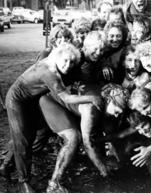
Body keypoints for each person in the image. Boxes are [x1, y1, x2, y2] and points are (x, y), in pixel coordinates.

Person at [4, 43, 100, 193]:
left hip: (32, 100)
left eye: (71, 62)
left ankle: (6, 166)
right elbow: (67, 98)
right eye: (65, 61)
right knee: (22, 139)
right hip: (17, 100)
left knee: (34, 135)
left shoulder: (53, 61)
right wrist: (92, 98)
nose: (68, 65)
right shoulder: (49, 72)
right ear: (57, 57)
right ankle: (23, 182)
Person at [39, 83, 130, 192]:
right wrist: (104, 173)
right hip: (50, 101)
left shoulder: (105, 98)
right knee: (73, 138)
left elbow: (105, 133)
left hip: (69, 103)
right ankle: (54, 184)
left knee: (97, 130)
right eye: (116, 111)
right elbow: (88, 144)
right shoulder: (91, 110)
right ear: (110, 100)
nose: (116, 115)